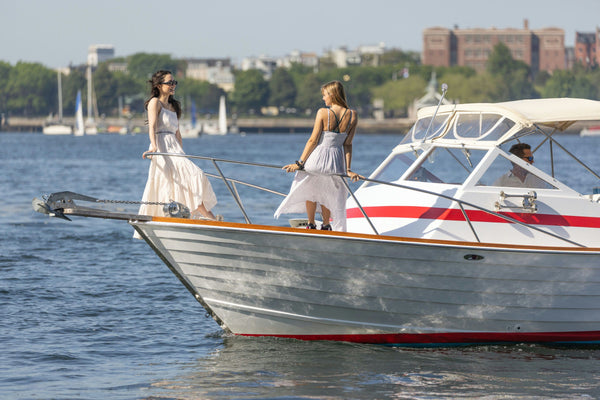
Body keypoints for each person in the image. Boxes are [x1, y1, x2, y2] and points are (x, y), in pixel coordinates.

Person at [274, 80, 361, 231]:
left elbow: (313, 140)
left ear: (332, 95)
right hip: (336, 162)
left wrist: (300, 163)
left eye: (325, 95)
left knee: (310, 190)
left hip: (317, 158)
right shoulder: (353, 115)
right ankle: (326, 225)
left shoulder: (323, 112)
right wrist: (348, 169)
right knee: (328, 192)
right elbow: (348, 144)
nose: (323, 98)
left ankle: (311, 223)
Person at [136, 70, 217, 226]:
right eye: (169, 82)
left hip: (175, 148)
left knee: (192, 177)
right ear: (159, 85)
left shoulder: (174, 105)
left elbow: (178, 132)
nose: (173, 85)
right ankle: (208, 218)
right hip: (162, 145)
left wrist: (182, 153)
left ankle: (204, 217)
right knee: (178, 180)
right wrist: (153, 146)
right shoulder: (155, 103)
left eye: (174, 82)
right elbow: (152, 126)